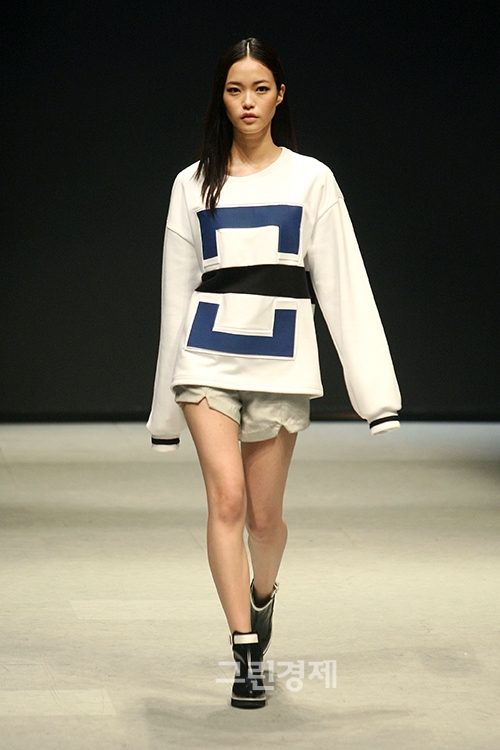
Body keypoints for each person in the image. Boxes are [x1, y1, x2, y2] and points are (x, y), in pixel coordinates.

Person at [147, 37, 401, 709]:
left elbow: (344, 284)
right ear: (221, 98)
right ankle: (244, 651)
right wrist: (164, 412)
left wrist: (375, 395)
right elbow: (175, 296)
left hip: (281, 366)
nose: (248, 102)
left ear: (280, 95)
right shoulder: (192, 184)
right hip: (205, 361)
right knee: (226, 501)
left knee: (264, 520)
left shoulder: (310, 179)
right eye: (235, 89)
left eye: (260, 88)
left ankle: (262, 599)